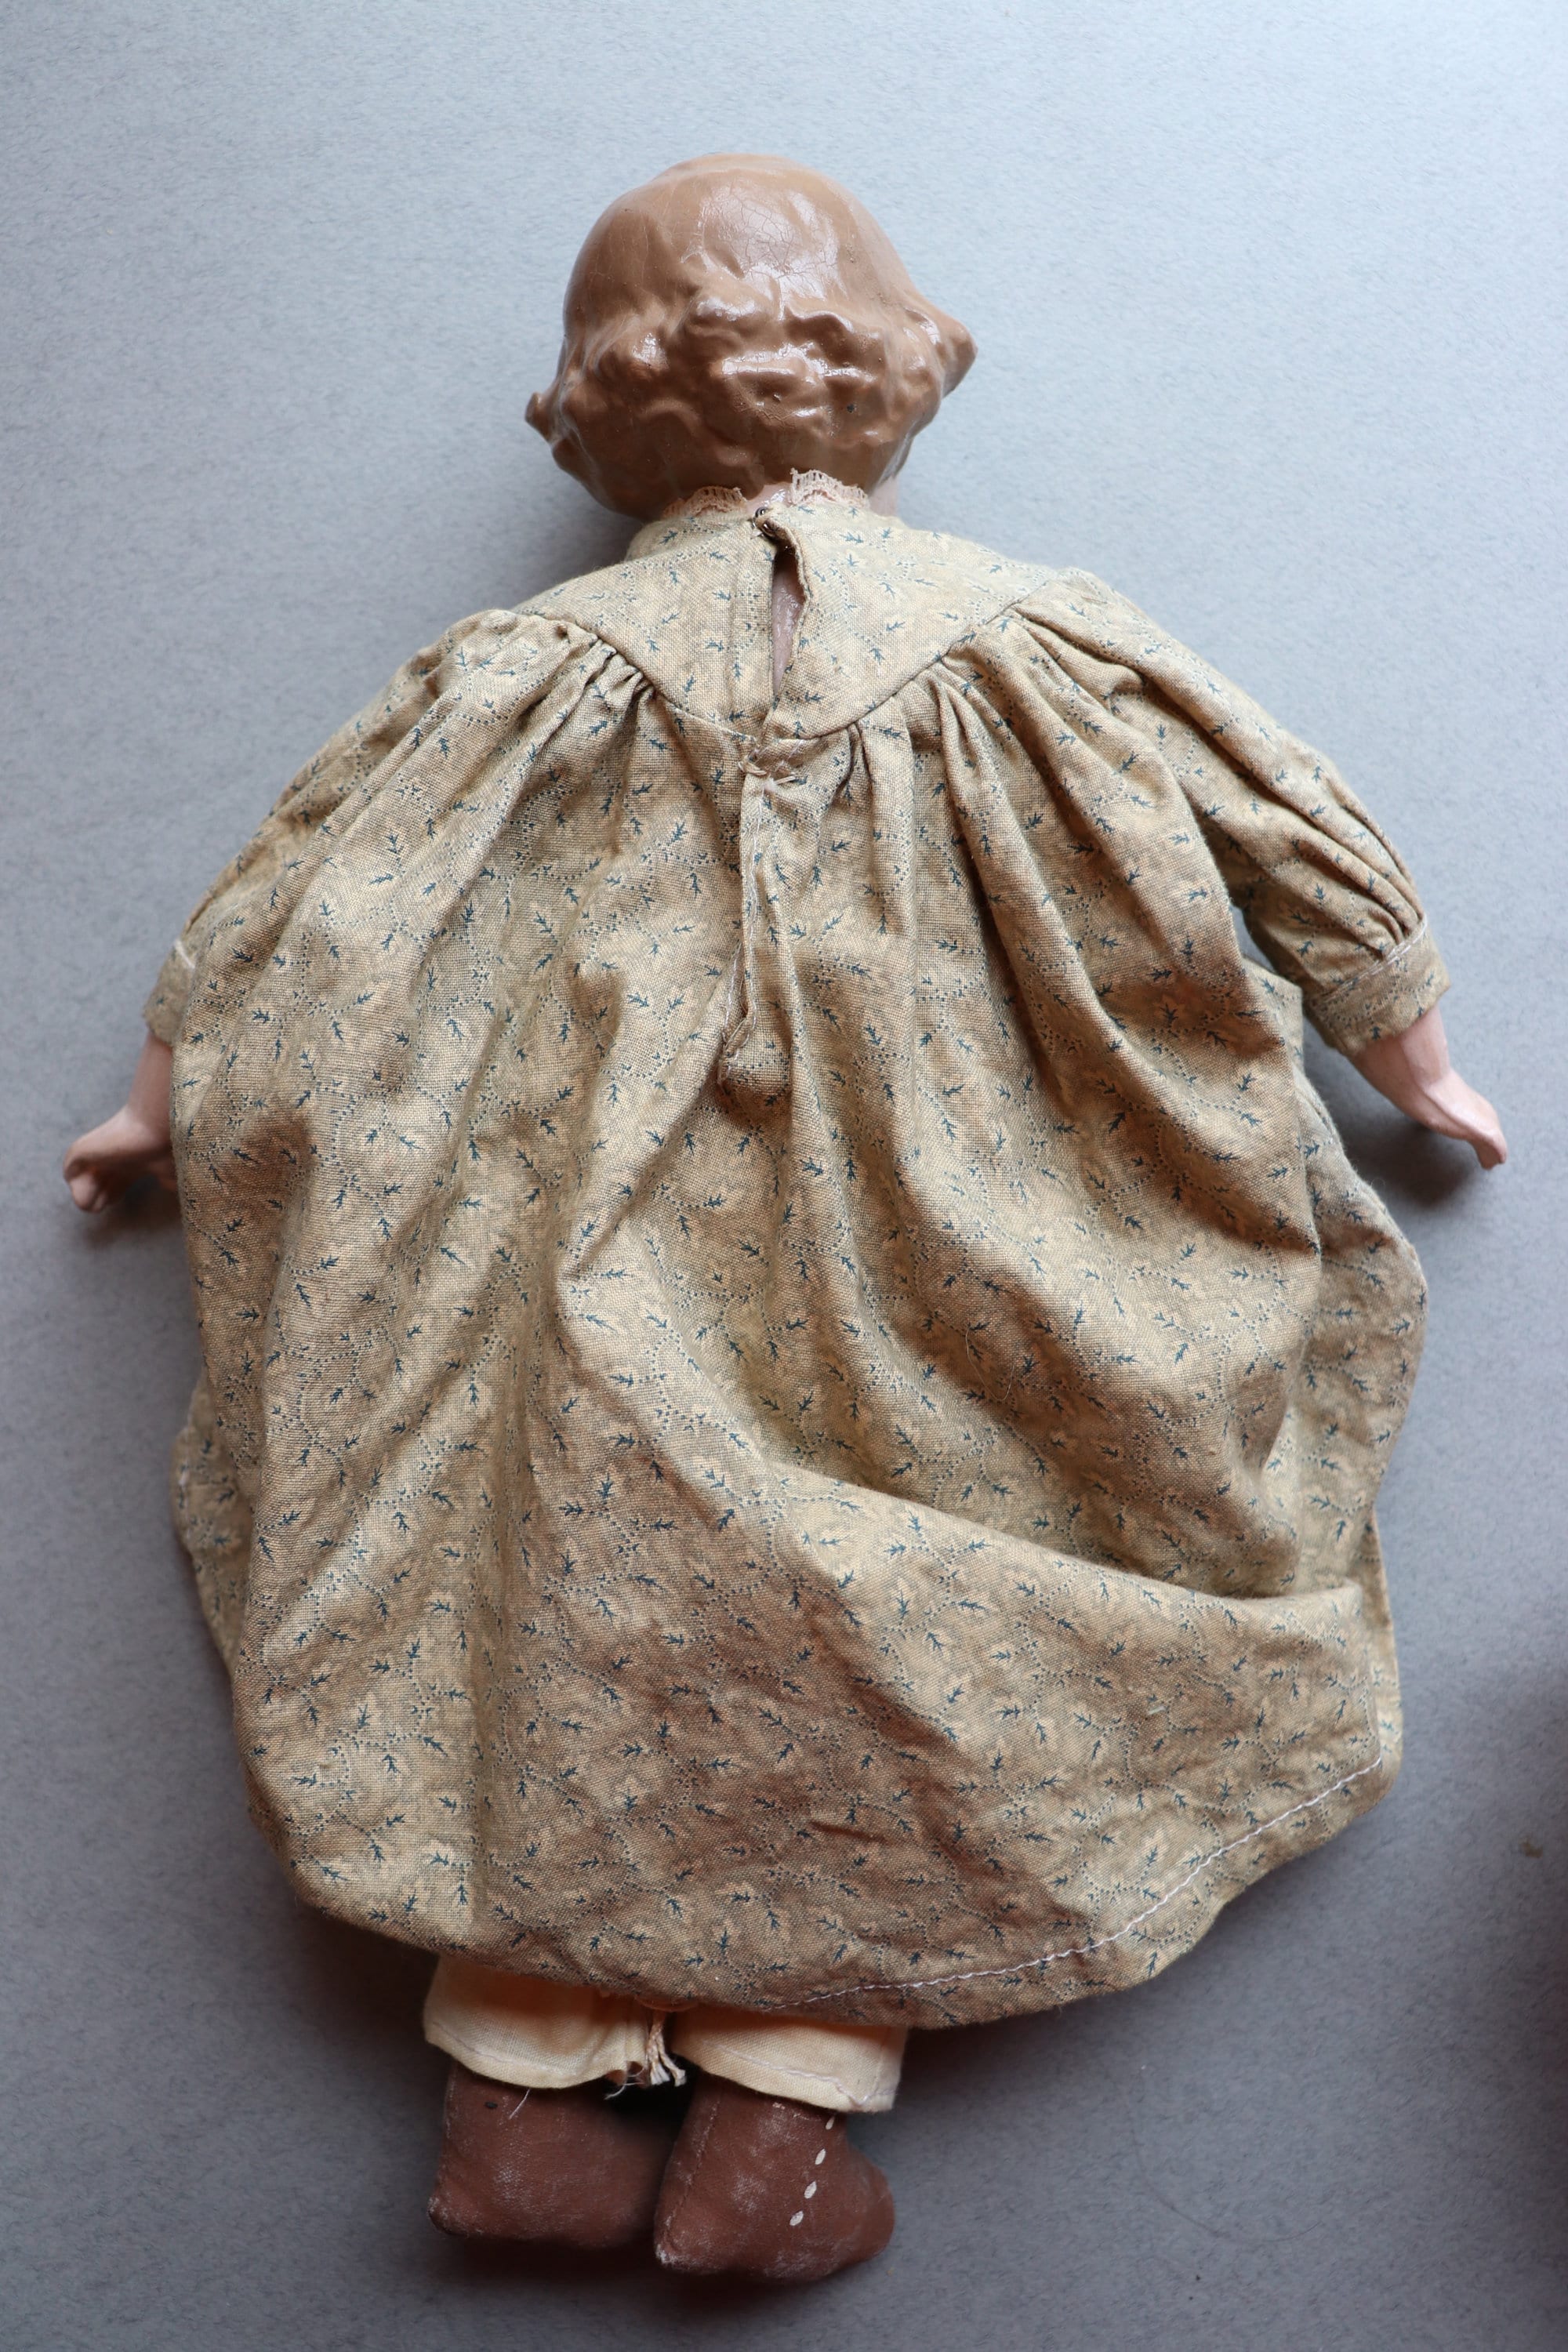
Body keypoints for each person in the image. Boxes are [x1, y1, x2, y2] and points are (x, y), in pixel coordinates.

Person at [65, 154, 1505, 2285]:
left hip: (574, 1230)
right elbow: (1290, 830)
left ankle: (517, 2104)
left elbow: (300, 904)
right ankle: (779, 2136)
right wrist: (1413, 1051)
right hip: (964, 1237)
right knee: (919, 1607)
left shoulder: (520, 663)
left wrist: (157, 1100)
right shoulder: (1039, 632)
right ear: (912, 367)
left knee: (547, 1591)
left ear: (593, 410)